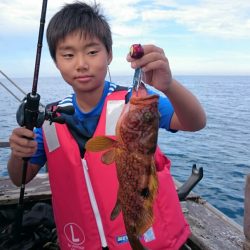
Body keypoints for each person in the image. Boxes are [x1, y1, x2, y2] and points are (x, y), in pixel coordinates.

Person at [8, 2, 206, 250]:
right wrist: (19, 152)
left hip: (148, 238)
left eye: (92, 52)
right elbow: (19, 178)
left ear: (109, 54)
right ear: (56, 62)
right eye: (68, 55)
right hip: (83, 240)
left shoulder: (135, 104)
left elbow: (195, 122)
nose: (81, 63)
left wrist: (168, 85)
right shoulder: (49, 121)